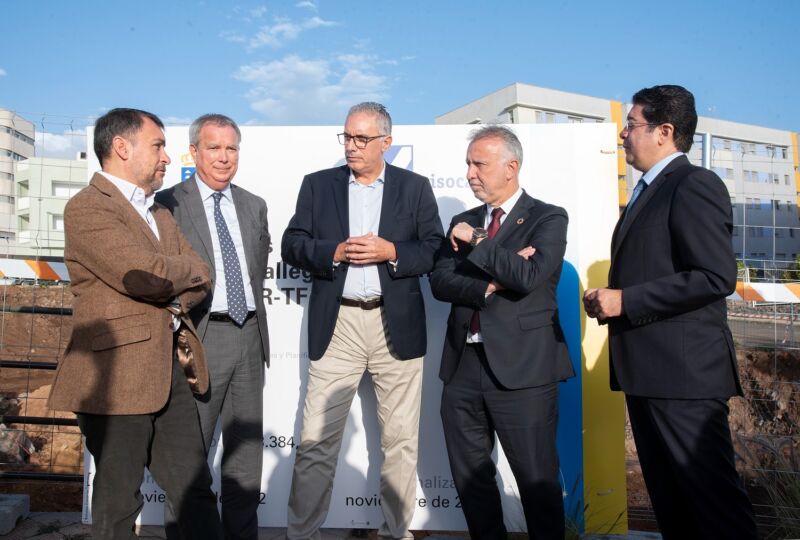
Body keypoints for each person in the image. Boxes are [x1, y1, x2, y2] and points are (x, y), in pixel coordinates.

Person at [583, 85, 757, 539]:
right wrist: (613, 298)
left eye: (632, 123)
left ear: (664, 131)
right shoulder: (647, 191)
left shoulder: (693, 184)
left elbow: (714, 276)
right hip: (650, 375)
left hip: (684, 380)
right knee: (675, 509)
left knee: (713, 508)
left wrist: (627, 300)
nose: (623, 134)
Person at [48, 108, 222, 540]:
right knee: (118, 500)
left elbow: (205, 274)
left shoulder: (160, 213)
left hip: (170, 374)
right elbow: (144, 277)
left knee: (195, 490)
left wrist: (174, 277)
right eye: (158, 145)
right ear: (122, 148)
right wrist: (177, 275)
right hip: (115, 379)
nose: (167, 156)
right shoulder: (88, 208)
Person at [281, 102, 444, 540]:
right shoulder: (318, 187)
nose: (351, 147)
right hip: (339, 327)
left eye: (361, 139)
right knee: (316, 440)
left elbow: (434, 250)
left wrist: (392, 252)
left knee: (401, 441)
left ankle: (396, 532)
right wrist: (332, 251)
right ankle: (302, 534)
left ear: (386, 143)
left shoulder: (414, 188)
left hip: (398, 327)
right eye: (347, 137)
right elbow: (292, 245)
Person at [430, 125, 574, 540]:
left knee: (537, 483)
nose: (471, 173)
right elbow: (441, 283)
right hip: (462, 368)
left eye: (480, 164)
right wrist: (492, 283)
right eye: (468, 164)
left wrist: (476, 242)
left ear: (511, 167)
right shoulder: (461, 220)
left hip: (524, 370)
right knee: (472, 481)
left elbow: (529, 276)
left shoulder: (548, 216)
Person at [156, 113, 270, 540]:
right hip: (198, 342)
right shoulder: (167, 204)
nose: (224, 158)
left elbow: (257, 269)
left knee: (246, 461)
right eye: (214, 148)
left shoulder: (254, 205)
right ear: (194, 152)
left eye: (231, 148)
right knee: (189, 460)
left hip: (250, 337)